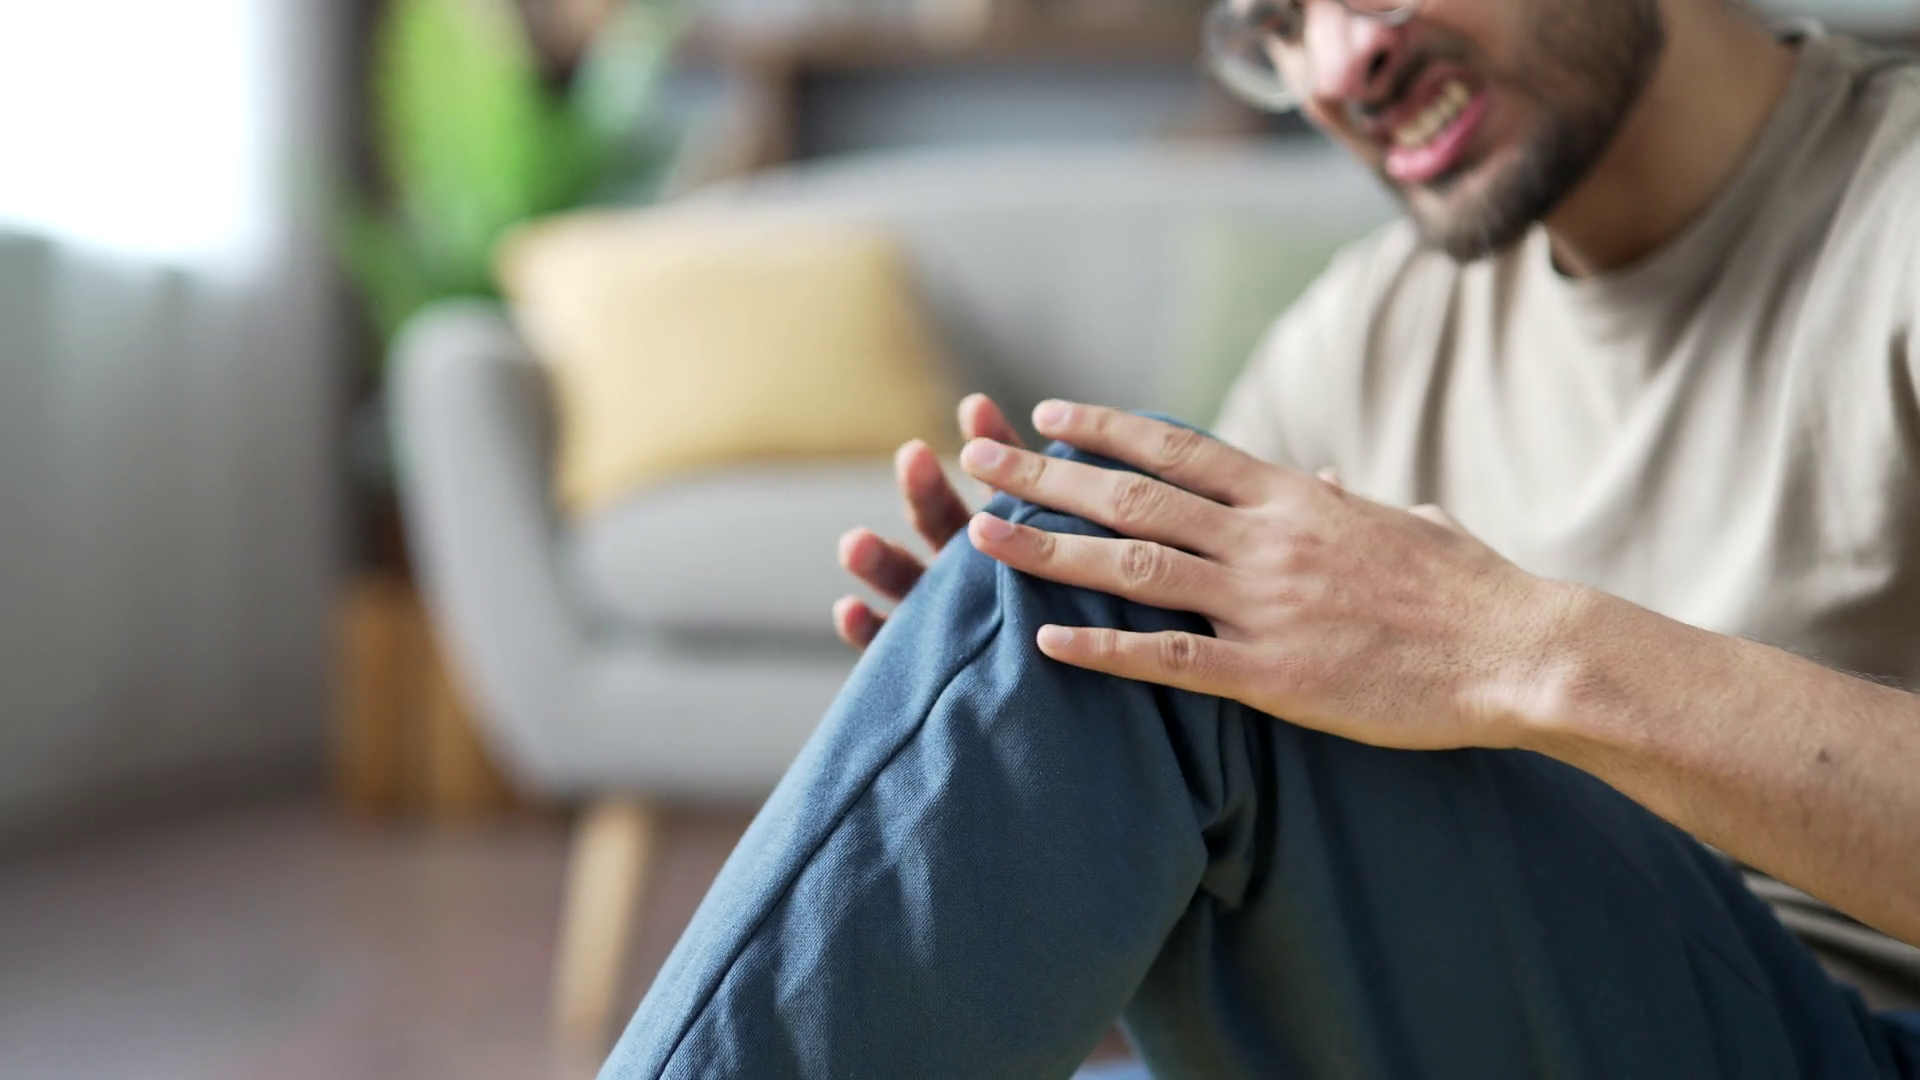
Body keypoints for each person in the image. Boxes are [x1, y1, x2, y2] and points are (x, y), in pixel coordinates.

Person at [602, 0, 1920, 1076]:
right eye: (1275, 20)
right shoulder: (1369, 331)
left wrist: (1508, 643)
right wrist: (1030, 757)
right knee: (1100, 605)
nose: (1339, 66)